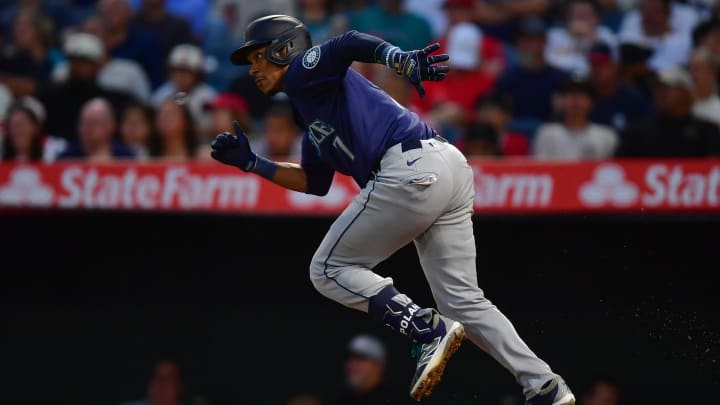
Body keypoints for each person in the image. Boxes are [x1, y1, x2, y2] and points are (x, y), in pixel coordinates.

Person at [210, 15, 575, 404]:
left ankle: (424, 328)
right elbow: (314, 184)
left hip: (408, 168)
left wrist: (398, 58)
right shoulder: (311, 105)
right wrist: (254, 164)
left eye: (257, 57)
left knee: (327, 269)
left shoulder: (302, 71)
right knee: (463, 302)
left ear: (283, 50)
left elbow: (345, 44)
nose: (251, 69)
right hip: (445, 166)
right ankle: (544, 386)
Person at [36, 32, 131, 141]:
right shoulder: (50, 97)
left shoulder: (113, 100)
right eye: (73, 61)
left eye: (83, 62)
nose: (77, 66)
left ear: (97, 66)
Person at [617, 67, 720, 157]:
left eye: (668, 87)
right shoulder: (637, 132)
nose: (661, 92)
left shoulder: (706, 132)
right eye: (658, 87)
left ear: (686, 93)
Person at [534, 78, 618, 160]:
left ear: (592, 102)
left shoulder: (607, 136)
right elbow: (541, 168)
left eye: (581, 95)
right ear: (562, 101)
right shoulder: (546, 133)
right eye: (570, 95)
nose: (575, 99)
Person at [586, 42, 654, 133]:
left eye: (601, 65)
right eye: (592, 65)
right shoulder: (583, 98)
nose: (595, 70)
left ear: (615, 67)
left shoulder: (634, 100)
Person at [332, 334, 412, 405]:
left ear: (379, 365)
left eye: (361, 358)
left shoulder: (397, 400)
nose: (352, 364)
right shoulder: (342, 401)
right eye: (349, 357)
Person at [544, 0, 617, 77]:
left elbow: (613, 62)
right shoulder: (554, 35)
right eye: (577, 16)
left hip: (592, 81)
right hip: (560, 79)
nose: (581, 21)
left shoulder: (605, 34)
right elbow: (545, 62)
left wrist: (591, 37)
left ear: (597, 18)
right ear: (567, 18)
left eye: (586, 16)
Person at [58, 97, 134, 161]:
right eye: (83, 123)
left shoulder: (126, 157)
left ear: (111, 126)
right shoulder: (66, 158)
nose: (87, 129)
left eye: (93, 123)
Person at [1, 97, 47, 162]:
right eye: (14, 125)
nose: (18, 129)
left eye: (22, 124)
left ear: (35, 128)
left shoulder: (51, 156)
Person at [689, 47, 720, 128]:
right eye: (692, 68)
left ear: (713, 73)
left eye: (699, 68)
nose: (694, 74)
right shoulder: (679, 105)